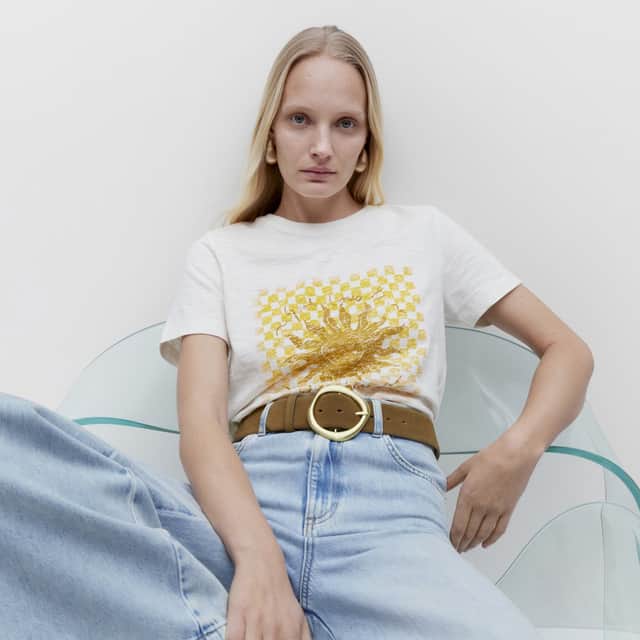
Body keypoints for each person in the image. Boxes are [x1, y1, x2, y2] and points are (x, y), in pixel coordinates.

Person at [1, 24, 593, 640]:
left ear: (366, 145)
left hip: (390, 524)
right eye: (300, 120)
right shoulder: (220, 254)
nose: (321, 146)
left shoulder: (424, 235)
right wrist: (259, 564)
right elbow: (201, 429)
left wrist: (516, 451)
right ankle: (249, 613)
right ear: (270, 137)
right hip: (242, 516)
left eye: (346, 125)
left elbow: (568, 351)